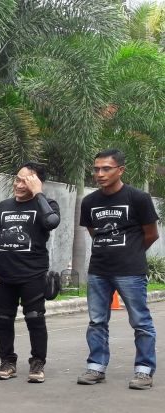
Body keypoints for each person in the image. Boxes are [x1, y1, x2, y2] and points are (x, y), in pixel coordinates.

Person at [77, 149, 159, 389]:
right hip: (98, 271)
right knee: (97, 321)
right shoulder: (89, 202)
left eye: (106, 169)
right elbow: (95, 233)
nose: (100, 174)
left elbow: (151, 234)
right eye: (96, 169)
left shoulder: (138, 198)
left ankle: (144, 371)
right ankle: (96, 367)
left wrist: (131, 253)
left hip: (130, 271)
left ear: (120, 170)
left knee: (141, 322)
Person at [0, 162, 60, 383]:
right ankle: (7, 362)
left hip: (33, 274)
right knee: (3, 320)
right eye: (17, 179)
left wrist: (38, 193)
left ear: (37, 182)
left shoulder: (47, 205)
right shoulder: (4, 206)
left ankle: (37, 363)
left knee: (35, 319)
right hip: (4, 275)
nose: (19, 185)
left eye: (26, 181)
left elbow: (52, 222)